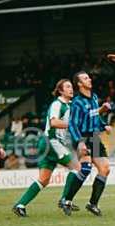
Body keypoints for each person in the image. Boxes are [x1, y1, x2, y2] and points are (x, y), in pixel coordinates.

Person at [12, 79, 80, 217]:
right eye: (67, 87)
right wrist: (71, 125)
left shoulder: (69, 105)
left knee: (43, 179)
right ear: (60, 91)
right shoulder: (57, 104)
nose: (71, 89)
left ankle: (20, 205)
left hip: (49, 143)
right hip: (52, 142)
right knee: (76, 168)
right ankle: (64, 199)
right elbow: (54, 122)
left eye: (71, 87)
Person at [63, 71, 112, 217]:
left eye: (88, 77)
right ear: (79, 84)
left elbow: (94, 116)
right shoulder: (77, 102)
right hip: (82, 137)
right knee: (85, 168)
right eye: (85, 78)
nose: (89, 79)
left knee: (105, 169)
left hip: (94, 137)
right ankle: (67, 200)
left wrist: (104, 126)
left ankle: (92, 203)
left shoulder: (94, 97)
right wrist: (79, 142)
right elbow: (73, 124)